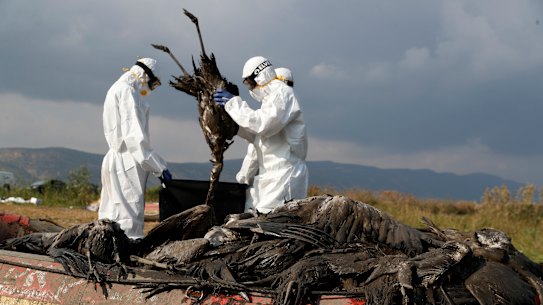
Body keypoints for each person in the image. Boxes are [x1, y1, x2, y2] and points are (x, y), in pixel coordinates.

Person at [213, 56, 308, 214]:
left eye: (250, 83)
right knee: (255, 221)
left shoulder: (282, 94)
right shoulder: (271, 99)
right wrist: (234, 128)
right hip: (269, 177)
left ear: (260, 75)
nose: (250, 88)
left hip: (284, 175)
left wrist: (233, 104)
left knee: (272, 227)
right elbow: (259, 138)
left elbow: (263, 125)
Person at [98, 57, 172, 239]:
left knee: (110, 215)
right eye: (153, 84)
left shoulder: (115, 88)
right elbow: (135, 138)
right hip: (127, 162)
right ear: (145, 76)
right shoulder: (128, 92)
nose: (150, 89)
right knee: (129, 220)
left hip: (113, 158)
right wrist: (159, 167)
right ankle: (127, 261)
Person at [236, 66, 294, 186]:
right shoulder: (290, 110)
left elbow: (254, 153)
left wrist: (242, 180)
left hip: (267, 184)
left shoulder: (274, 111)